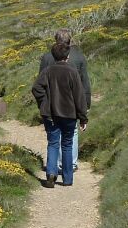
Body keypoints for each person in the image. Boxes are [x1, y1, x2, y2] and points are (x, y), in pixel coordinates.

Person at [31, 36, 88, 188]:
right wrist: (83, 118)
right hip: (69, 115)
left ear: (53, 56)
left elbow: (36, 88)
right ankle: (68, 179)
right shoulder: (72, 72)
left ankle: (51, 174)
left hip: (50, 114)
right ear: (67, 56)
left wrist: (43, 103)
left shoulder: (48, 71)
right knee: (67, 144)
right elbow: (79, 96)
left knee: (53, 143)